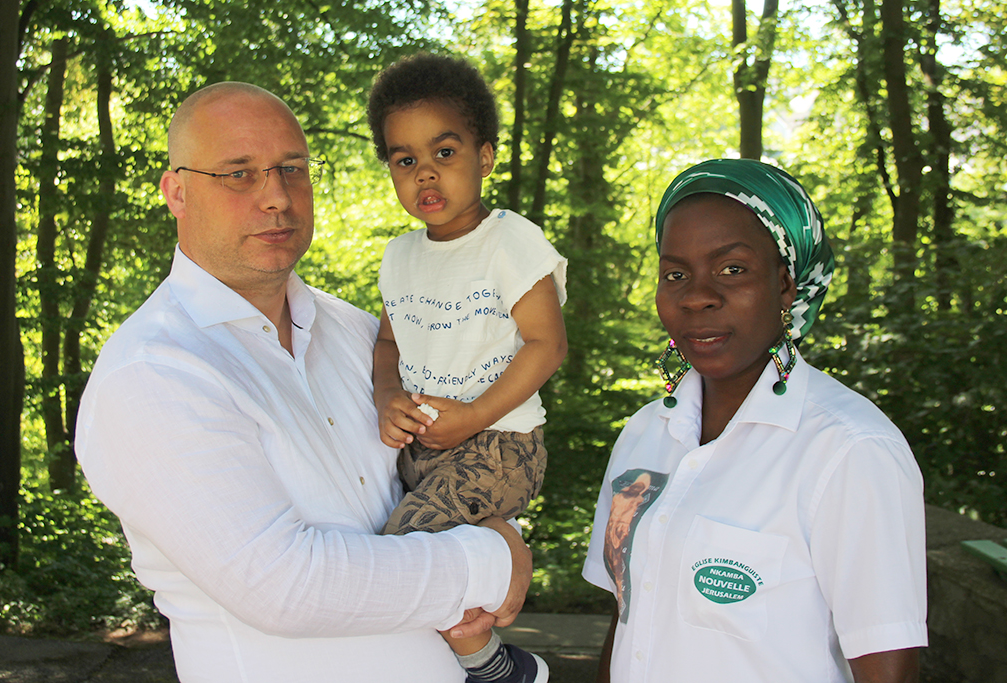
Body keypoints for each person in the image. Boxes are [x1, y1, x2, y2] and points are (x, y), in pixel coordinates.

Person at [75, 81, 534, 683]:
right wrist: (493, 558)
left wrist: (489, 524)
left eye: (291, 169)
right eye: (238, 174)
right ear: (177, 192)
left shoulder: (360, 335)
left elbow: (449, 473)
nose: (276, 198)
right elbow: (283, 587)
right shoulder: (154, 371)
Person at [583, 159, 928, 683]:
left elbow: (888, 668)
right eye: (676, 274)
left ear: (786, 284)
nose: (698, 295)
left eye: (732, 269)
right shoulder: (645, 434)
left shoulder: (850, 451)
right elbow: (629, 615)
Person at [366, 53, 568, 683]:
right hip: (427, 448)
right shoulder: (399, 258)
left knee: (401, 554)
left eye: (445, 153)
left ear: (484, 157)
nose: (425, 174)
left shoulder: (511, 241)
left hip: (499, 445)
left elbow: (546, 344)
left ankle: (489, 661)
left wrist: (475, 416)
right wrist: (385, 396)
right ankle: (490, 663)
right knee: (394, 540)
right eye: (405, 160)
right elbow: (386, 346)